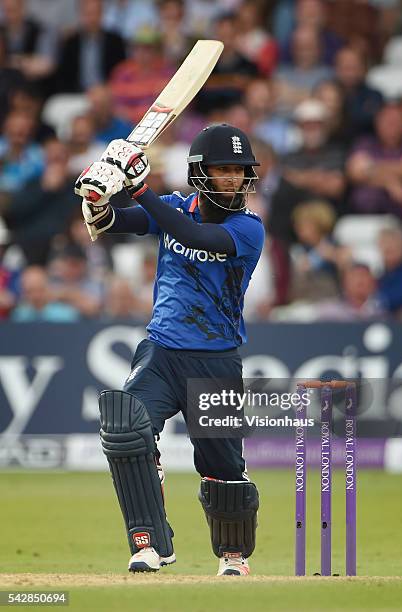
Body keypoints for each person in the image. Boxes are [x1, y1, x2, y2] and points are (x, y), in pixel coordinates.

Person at [74, 124, 264, 576]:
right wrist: (100, 199)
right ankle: (150, 544)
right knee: (126, 429)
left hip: (215, 361)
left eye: (239, 171)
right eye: (223, 170)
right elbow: (123, 223)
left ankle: (232, 556)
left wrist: (139, 188)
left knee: (222, 467)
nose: (233, 180)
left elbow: (195, 237)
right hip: (161, 351)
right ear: (200, 173)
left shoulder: (248, 228)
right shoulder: (176, 206)